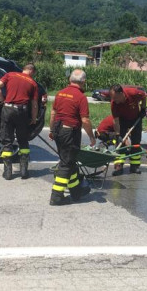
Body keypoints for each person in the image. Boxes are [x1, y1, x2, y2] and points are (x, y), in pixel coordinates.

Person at [49, 69, 96, 206]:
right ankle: (56, 196)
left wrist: (52, 130)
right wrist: (92, 138)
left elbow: (53, 114)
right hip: (70, 133)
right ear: (83, 82)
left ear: (70, 80)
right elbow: (85, 120)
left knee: (71, 161)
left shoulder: (60, 93)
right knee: (66, 164)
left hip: (58, 129)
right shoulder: (80, 97)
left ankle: (76, 192)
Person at [0, 64, 38, 180]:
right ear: (31, 71)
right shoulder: (33, 83)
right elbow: (34, 104)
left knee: (7, 139)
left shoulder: (10, 75)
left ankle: (8, 172)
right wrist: (33, 118)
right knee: (23, 140)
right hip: (22, 112)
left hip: (8, 109)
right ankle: (24, 171)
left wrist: (2, 100)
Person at [109, 84, 147, 175]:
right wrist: (118, 134)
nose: (114, 100)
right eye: (112, 98)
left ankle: (134, 166)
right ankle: (118, 166)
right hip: (122, 121)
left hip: (135, 119)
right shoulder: (114, 104)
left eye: (115, 98)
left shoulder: (133, 93)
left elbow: (144, 96)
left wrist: (143, 108)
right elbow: (116, 120)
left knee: (136, 143)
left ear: (121, 93)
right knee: (120, 143)